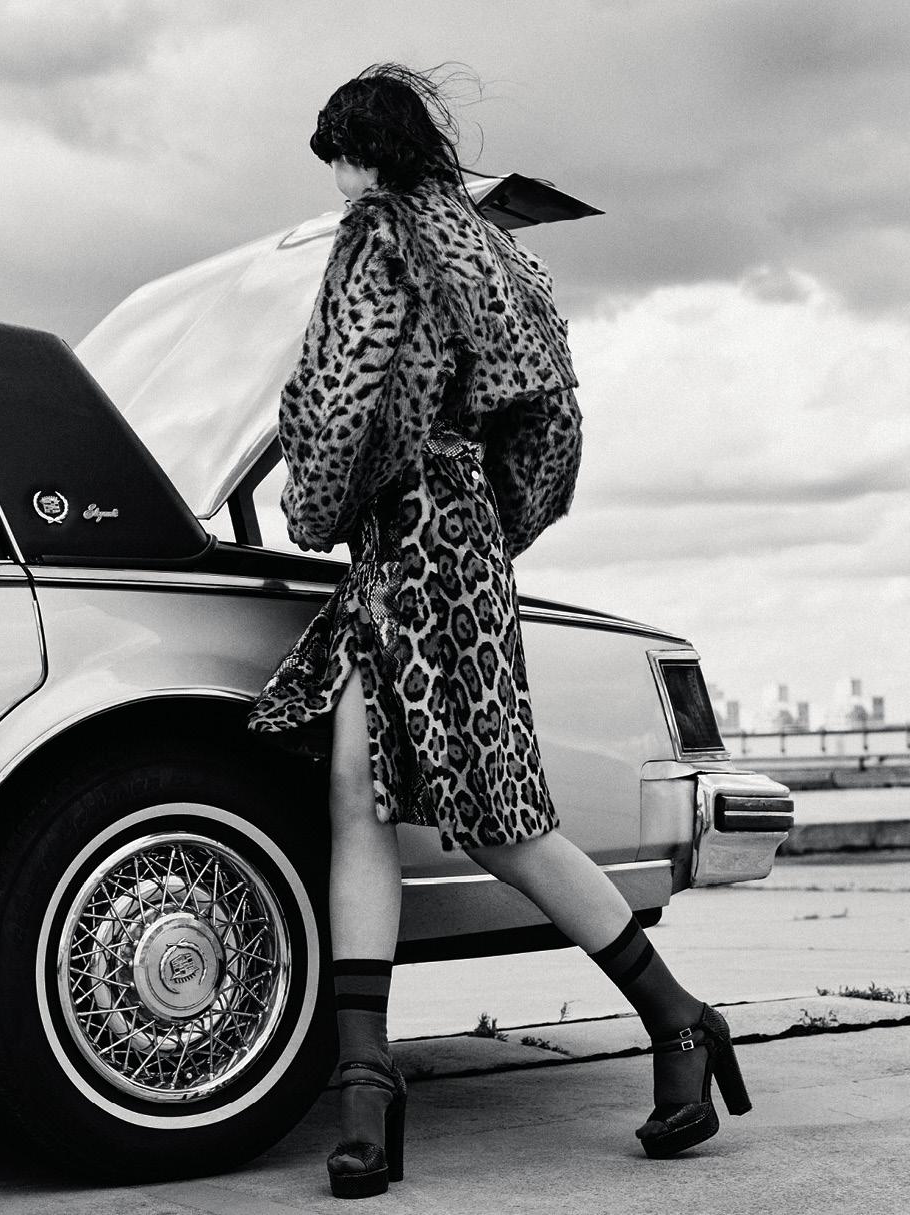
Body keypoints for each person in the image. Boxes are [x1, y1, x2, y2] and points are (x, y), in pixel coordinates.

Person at [248, 62, 751, 1200]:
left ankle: (679, 1016)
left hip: (408, 540)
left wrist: (315, 509)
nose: (335, 187)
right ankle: (366, 1073)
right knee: (361, 793)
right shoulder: (494, 253)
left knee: (498, 822)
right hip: (456, 536)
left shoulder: (379, 235)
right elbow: (555, 419)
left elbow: (336, 398)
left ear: (359, 154)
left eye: (336, 164)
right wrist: (490, 518)